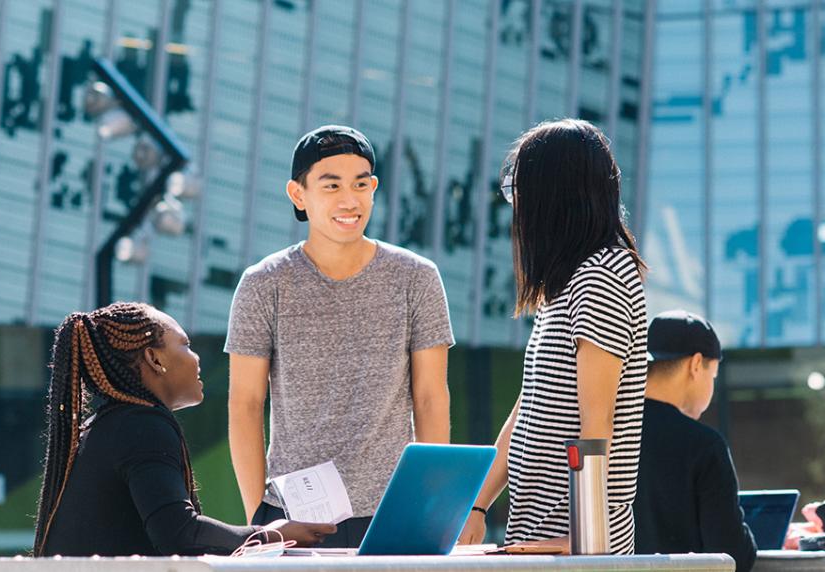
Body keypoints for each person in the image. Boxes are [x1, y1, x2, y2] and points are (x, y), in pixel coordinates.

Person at [226, 125, 455, 548]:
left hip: (395, 508)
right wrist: (257, 517)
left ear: (374, 189)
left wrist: (434, 506)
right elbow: (244, 403)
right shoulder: (264, 283)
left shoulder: (417, 278)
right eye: (331, 186)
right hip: (294, 514)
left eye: (360, 185)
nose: (349, 200)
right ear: (298, 194)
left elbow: (430, 397)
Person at [458, 119, 648, 554]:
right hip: (542, 536)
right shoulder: (567, 282)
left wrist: (583, 536)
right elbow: (527, 409)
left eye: (521, 189)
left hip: (576, 544)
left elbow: (596, 424)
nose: (517, 204)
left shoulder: (603, 275)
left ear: (554, 193)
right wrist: (478, 507)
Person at [32, 302, 335, 557]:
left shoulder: (105, 426)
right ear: (154, 358)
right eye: (186, 345)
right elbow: (180, 534)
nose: (197, 358)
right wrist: (270, 535)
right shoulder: (142, 425)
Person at [633, 310, 756, 571]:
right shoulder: (704, 446)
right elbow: (731, 555)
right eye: (713, 375)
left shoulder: (608, 432)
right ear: (696, 364)